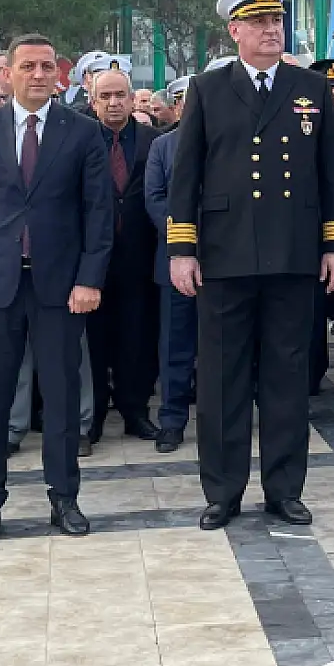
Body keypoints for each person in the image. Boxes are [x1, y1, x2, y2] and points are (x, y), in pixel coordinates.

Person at [167, 0, 334, 530]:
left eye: (278, 22)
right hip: (225, 254)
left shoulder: (310, 87)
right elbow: (187, 174)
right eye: (260, 23)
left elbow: (330, 174)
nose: (272, 31)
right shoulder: (209, 87)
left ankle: (284, 488)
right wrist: (182, 248)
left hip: (294, 251)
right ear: (235, 31)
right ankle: (222, 491)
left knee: (287, 376)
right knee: (222, 379)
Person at [0, 33, 114, 542]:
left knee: (62, 398)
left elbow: (99, 213)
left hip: (61, 288)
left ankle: (64, 499)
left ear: (58, 75)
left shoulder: (82, 133)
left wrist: (89, 279)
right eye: (28, 66)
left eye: (47, 66)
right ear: (10, 74)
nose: (39, 74)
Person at [87, 67, 161, 440]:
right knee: (94, 342)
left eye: (121, 96)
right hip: (92, 261)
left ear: (133, 100)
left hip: (141, 258)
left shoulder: (154, 140)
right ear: (93, 101)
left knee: (137, 339)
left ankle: (136, 412)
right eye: (106, 97)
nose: (114, 103)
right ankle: (93, 417)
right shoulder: (80, 139)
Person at [143, 115, 196, 452]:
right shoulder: (164, 145)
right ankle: (172, 420)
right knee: (175, 345)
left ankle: (218, 418)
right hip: (176, 258)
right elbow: (154, 198)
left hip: (226, 259)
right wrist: (188, 239)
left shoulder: (231, 141)